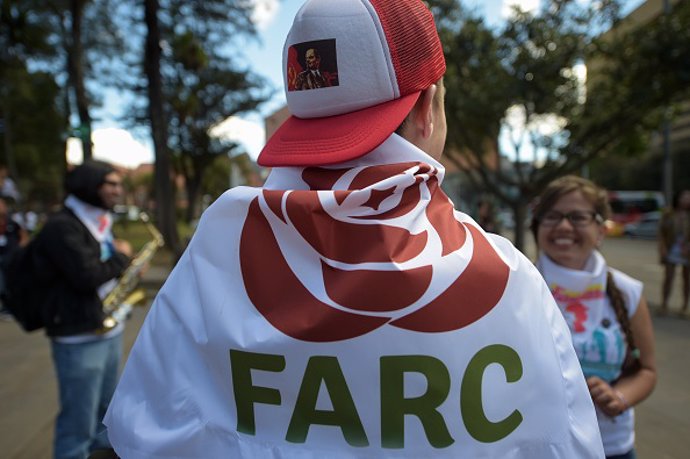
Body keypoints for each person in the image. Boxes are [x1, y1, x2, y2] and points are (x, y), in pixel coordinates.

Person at [105, 1, 603, 457]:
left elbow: (141, 430)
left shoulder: (217, 245)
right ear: (428, 108)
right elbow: (568, 445)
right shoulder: (506, 275)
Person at [531, 175, 657, 459]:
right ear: (537, 227)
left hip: (613, 447)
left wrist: (618, 397)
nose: (563, 226)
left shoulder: (627, 291)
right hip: (543, 448)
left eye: (577, 217)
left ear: (600, 230)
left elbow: (646, 371)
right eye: (551, 216)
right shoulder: (516, 286)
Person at [32, 160, 132, 459]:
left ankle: (102, 451)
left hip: (106, 327)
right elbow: (86, 275)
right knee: (77, 423)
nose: (118, 190)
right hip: (78, 336)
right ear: (90, 186)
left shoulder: (98, 220)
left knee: (104, 413)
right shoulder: (62, 226)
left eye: (118, 183)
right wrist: (123, 258)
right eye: (111, 184)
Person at [658, 189, 690, 316]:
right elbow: (661, 232)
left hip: (687, 251)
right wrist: (663, 247)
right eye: (684, 197)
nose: (686, 200)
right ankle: (664, 304)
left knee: (687, 279)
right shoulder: (669, 213)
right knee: (668, 277)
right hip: (672, 248)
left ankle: (684, 307)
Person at [0, 194, 29, 319]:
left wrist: (20, 250)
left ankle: (11, 308)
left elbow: (23, 236)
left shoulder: (12, 222)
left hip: (12, 259)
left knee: (12, 284)